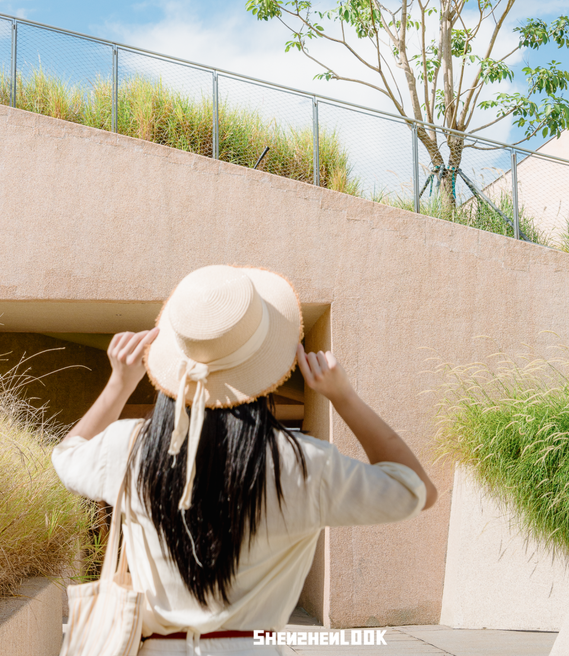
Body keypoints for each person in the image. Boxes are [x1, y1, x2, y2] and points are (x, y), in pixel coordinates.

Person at [52, 265, 437, 655]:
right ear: (268, 364)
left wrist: (119, 384)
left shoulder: (129, 447)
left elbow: (65, 457)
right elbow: (415, 489)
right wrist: (343, 397)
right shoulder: (304, 463)